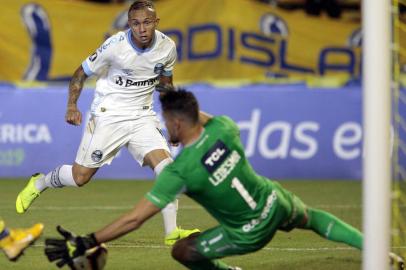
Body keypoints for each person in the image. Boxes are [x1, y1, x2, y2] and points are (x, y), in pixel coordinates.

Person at [44, 89, 405, 269]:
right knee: (311, 218)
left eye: (165, 119)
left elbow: (135, 218)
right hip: (273, 201)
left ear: (176, 123)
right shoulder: (226, 129)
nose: (161, 124)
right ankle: (378, 253)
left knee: (183, 249)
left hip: (248, 231)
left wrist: (89, 238)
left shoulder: (179, 171)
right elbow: (201, 116)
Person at [15, 0, 198, 245]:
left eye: (146, 22)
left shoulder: (167, 47)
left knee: (168, 169)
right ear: (129, 24)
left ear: (156, 22)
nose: (141, 28)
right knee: (80, 177)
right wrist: (72, 105)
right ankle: (40, 182)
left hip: (142, 116)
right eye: (135, 23)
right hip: (108, 115)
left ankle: (171, 232)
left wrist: (173, 115)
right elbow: (80, 73)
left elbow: (164, 84)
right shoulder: (115, 46)